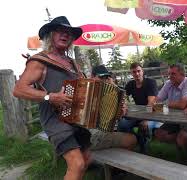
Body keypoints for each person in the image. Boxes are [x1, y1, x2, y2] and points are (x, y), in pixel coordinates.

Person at [12, 16, 133, 180]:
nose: (65, 35)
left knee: (85, 161)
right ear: (50, 35)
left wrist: (116, 107)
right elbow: (19, 89)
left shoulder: (73, 64)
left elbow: (90, 93)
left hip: (77, 120)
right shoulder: (40, 61)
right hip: (56, 123)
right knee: (77, 164)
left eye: (68, 33)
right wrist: (49, 97)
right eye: (60, 31)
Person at [90, 65, 137, 151]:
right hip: (90, 135)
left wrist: (121, 108)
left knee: (125, 130)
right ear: (92, 77)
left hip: (103, 132)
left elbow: (123, 105)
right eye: (101, 77)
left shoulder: (107, 93)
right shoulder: (88, 91)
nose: (104, 80)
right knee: (132, 139)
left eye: (106, 77)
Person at [117, 62, 161, 153]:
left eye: (138, 71)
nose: (136, 74)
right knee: (122, 124)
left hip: (154, 113)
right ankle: (133, 141)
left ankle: (144, 149)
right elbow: (123, 97)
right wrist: (124, 105)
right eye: (134, 72)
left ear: (142, 71)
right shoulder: (131, 84)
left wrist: (146, 119)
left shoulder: (151, 83)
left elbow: (151, 103)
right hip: (138, 114)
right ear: (131, 73)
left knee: (143, 125)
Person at [154, 63, 187, 150]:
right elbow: (156, 100)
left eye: (173, 74)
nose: (170, 76)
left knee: (182, 137)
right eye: (169, 74)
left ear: (182, 74)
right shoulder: (169, 83)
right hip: (174, 119)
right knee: (159, 134)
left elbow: (183, 105)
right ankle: (181, 144)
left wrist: (164, 104)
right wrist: (153, 103)